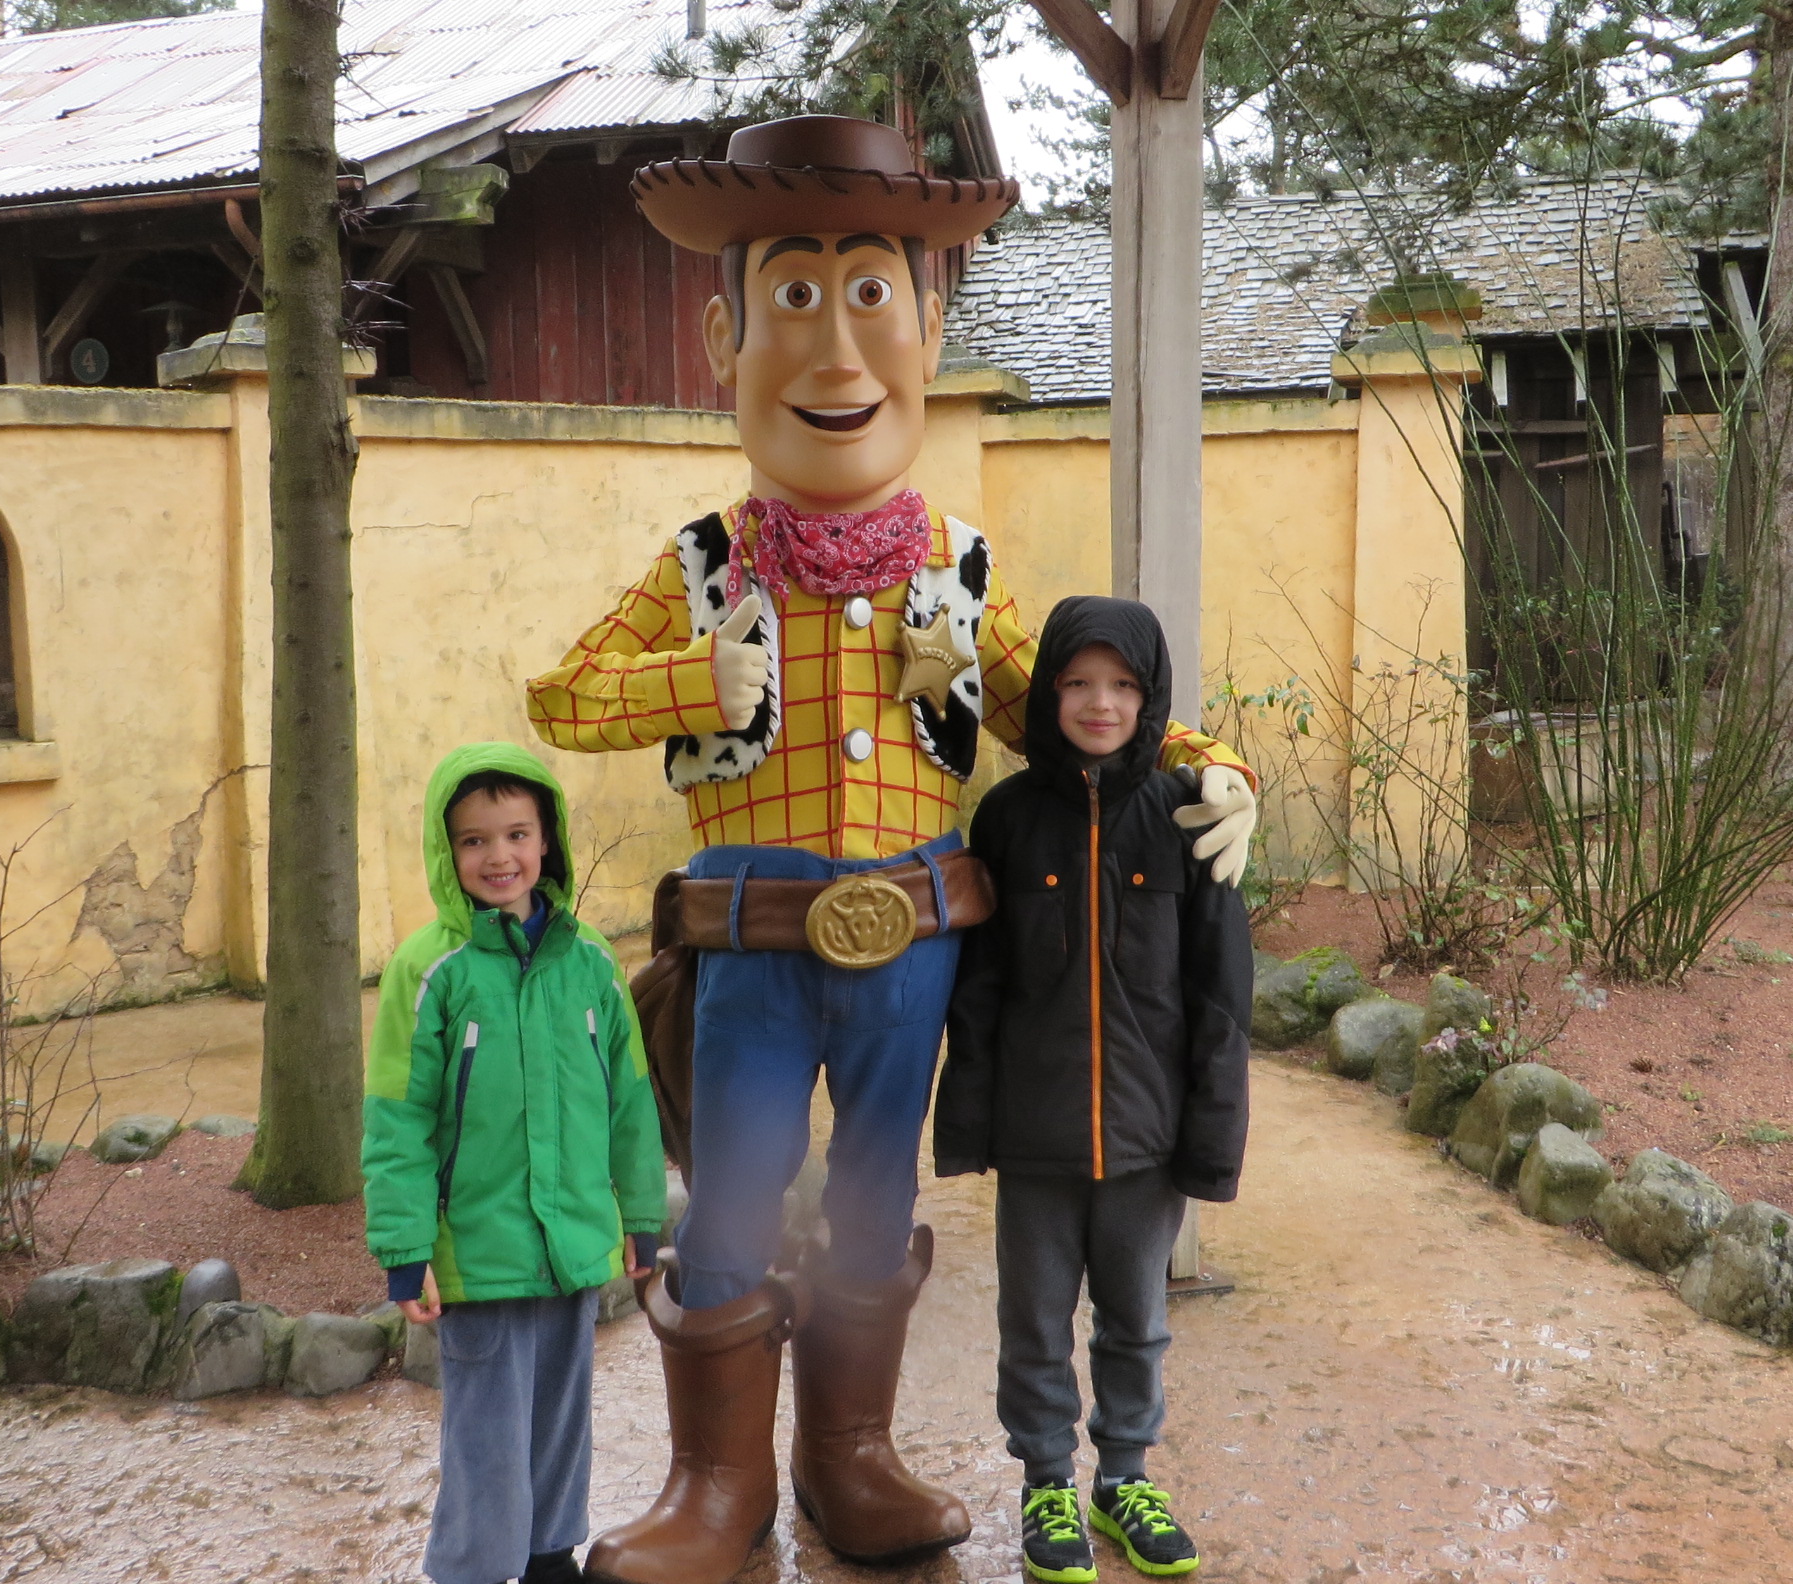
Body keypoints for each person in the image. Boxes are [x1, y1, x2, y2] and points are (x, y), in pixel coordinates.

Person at [524, 115, 1261, 1584]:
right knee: (735, 1188)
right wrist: (687, 682)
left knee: (874, 1191)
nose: (835, 348)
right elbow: (561, 696)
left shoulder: (957, 568)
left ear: (927, 332)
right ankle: (716, 1485)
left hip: (910, 946)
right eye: (794, 299)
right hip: (749, 947)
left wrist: (1216, 765)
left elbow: (1074, 703)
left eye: (872, 296)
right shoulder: (705, 561)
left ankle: (847, 1459)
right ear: (727, 338)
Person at [935, 597, 1255, 1583]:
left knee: (1136, 1323)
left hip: (1147, 1136)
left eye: (1121, 685)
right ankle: (1045, 1483)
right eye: (1077, 682)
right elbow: (978, 991)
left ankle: (1122, 1480)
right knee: (1033, 1326)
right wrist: (969, 1122)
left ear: (1150, 696)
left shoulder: (1185, 815)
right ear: (1047, 693)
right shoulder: (1005, 818)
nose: (1100, 703)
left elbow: (1220, 993)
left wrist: (1212, 1137)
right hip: (1036, 1137)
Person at [362, 743, 667, 1584]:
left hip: (572, 1240)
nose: (498, 856)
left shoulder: (590, 961)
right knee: (488, 1431)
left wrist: (641, 1213)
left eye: (516, 835)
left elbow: (630, 1101)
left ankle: (549, 1557)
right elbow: (397, 1119)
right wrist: (406, 1247)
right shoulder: (430, 970)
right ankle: (472, 1568)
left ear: (547, 840)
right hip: (477, 1247)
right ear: (446, 850)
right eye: (474, 840)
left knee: (562, 1412)